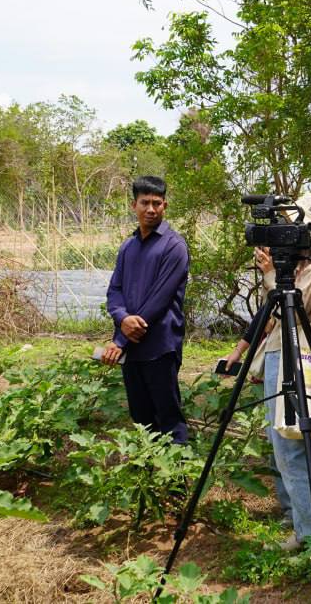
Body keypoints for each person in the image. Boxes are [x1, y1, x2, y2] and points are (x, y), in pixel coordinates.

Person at [224, 192, 311, 550]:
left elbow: (284, 314)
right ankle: (309, 526)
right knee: (291, 447)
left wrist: (268, 275)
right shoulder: (307, 269)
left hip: (297, 360)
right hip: (286, 357)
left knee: (293, 448)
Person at [101, 176, 191, 445]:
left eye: (156, 203)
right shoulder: (128, 246)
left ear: (165, 205)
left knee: (168, 418)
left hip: (160, 347)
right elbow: (114, 291)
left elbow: (158, 301)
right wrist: (122, 319)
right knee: (141, 419)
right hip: (132, 349)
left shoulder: (174, 246)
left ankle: (176, 485)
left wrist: (120, 339)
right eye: (145, 203)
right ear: (134, 205)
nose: (151, 209)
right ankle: (149, 481)